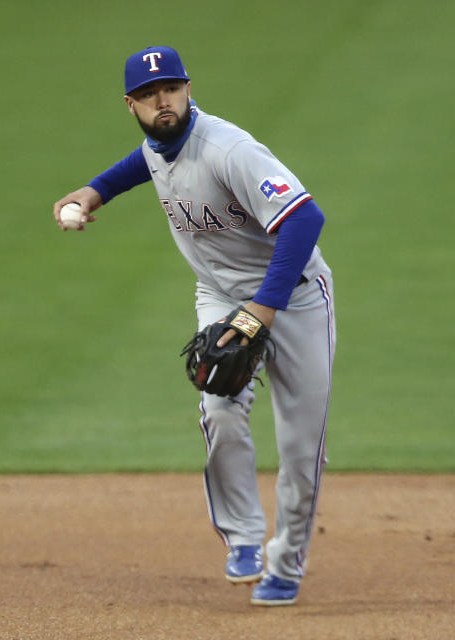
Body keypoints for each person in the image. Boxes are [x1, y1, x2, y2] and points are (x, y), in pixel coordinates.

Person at [53, 46, 336, 607]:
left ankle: (286, 564)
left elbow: (305, 218)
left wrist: (264, 310)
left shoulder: (228, 149)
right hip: (221, 295)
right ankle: (244, 539)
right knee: (219, 407)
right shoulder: (160, 141)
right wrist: (95, 191)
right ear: (130, 105)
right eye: (151, 95)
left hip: (297, 299)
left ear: (187, 90)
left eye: (173, 89)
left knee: (302, 450)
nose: (164, 101)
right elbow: (147, 162)